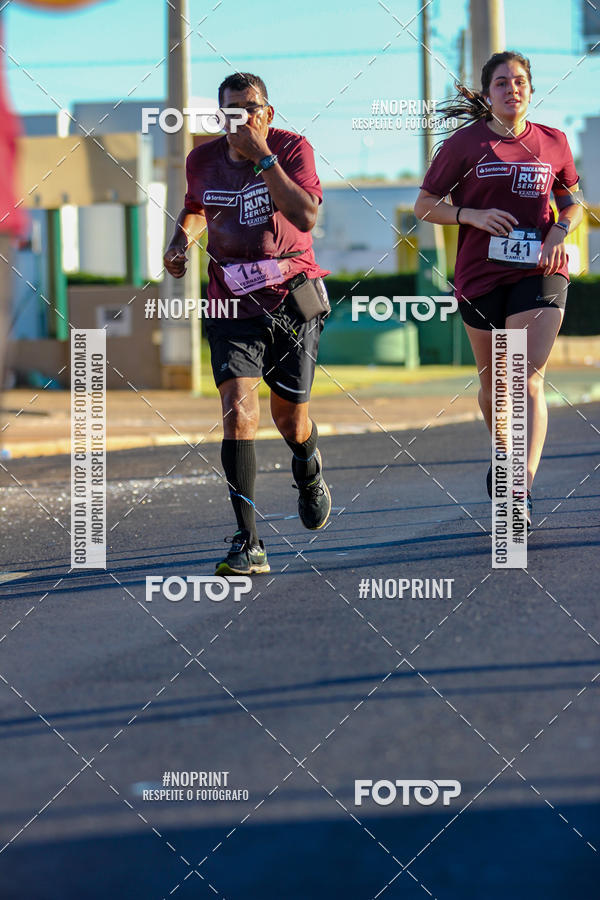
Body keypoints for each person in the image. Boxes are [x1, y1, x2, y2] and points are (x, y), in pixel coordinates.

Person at [164, 72, 331, 575]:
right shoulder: (202, 160)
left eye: (251, 108)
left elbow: (305, 217)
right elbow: (197, 208)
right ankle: (249, 541)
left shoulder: (292, 149)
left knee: (291, 420)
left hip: (290, 299)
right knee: (238, 412)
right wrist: (180, 242)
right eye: (232, 110)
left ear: (268, 113)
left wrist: (263, 157)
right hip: (230, 301)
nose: (241, 118)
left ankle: (308, 466)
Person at [414, 51, 583, 528]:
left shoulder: (553, 142)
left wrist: (559, 231)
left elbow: (572, 202)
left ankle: (518, 490)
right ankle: (504, 453)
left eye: (520, 81)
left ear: (531, 89)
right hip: (480, 276)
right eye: (502, 83)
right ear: (488, 94)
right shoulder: (465, 145)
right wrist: (470, 215)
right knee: (495, 384)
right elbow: (424, 205)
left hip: (540, 270)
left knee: (525, 376)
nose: (513, 89)